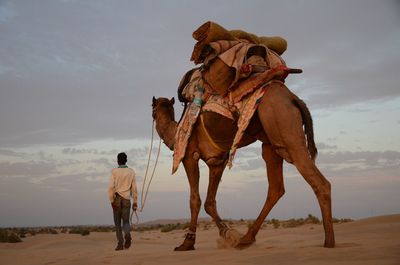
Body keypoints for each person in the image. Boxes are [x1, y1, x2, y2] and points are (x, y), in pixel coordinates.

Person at [107, 152, 138, 251]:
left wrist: (111, 201)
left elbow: (111, 187)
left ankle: (120, 244)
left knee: (117, 224)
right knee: (126, 222)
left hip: (117, 199)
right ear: (126, 160)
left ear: (117, 161)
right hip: (127, 199)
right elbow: (134, 188)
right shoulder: (131, 172)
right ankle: (127, 235)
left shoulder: (114, 171)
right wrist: (135, 202)